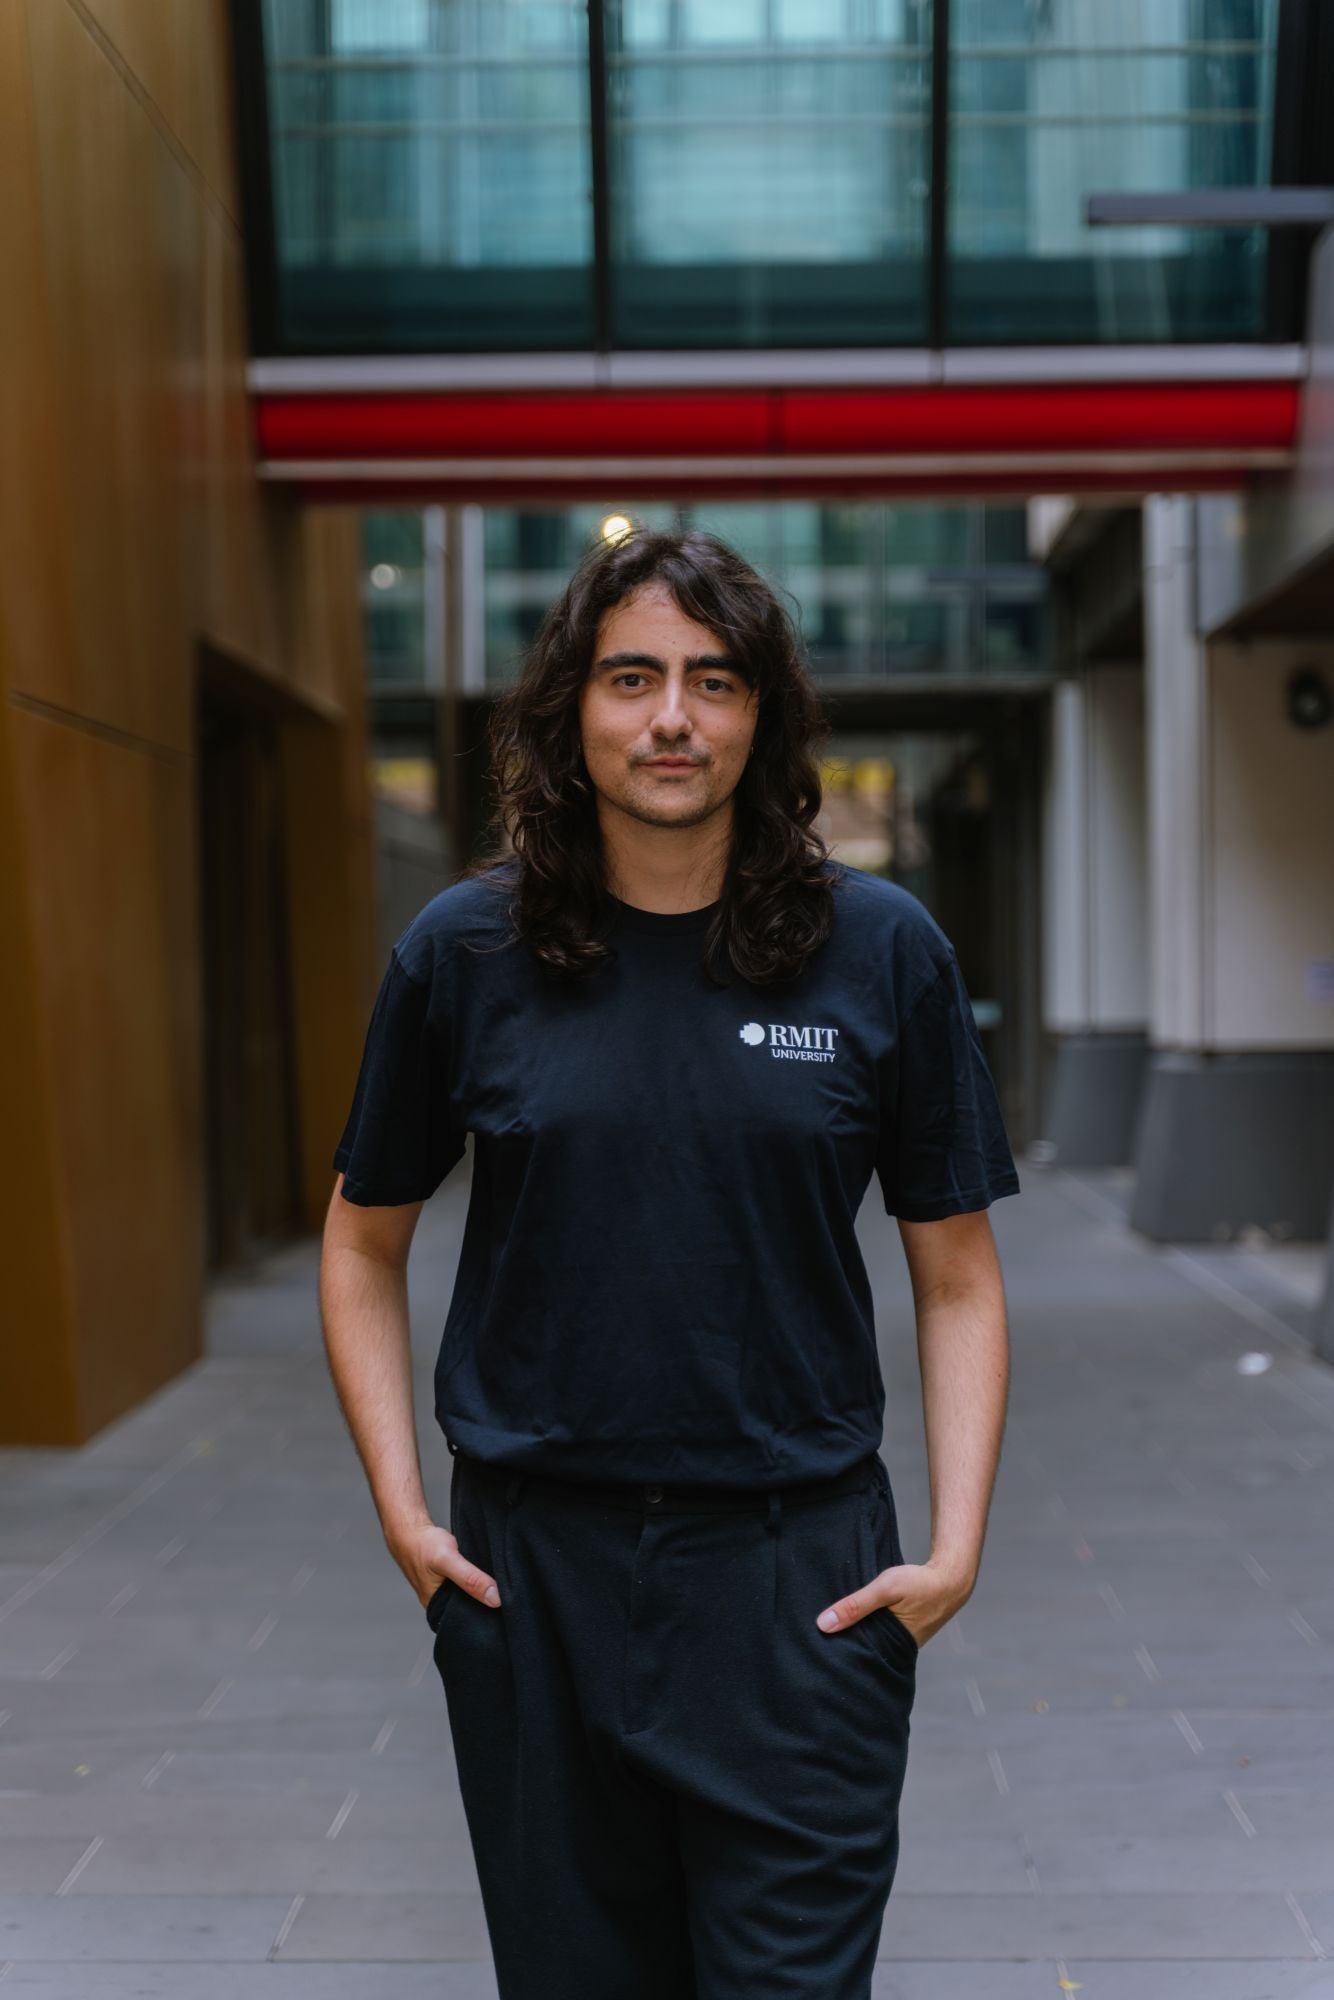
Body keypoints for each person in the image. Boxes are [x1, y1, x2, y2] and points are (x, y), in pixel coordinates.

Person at [318, 526, 1020, 1999]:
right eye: (630, 677)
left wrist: (951, 1547)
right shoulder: (465, 954)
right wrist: (402, 1515)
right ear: (572, 712)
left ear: (761, 715)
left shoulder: (879, 951)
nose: (670, 719)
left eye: (711, 681)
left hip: (795, 1582)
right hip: (532, 1576)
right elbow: (361, 1238)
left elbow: (954, 1272)